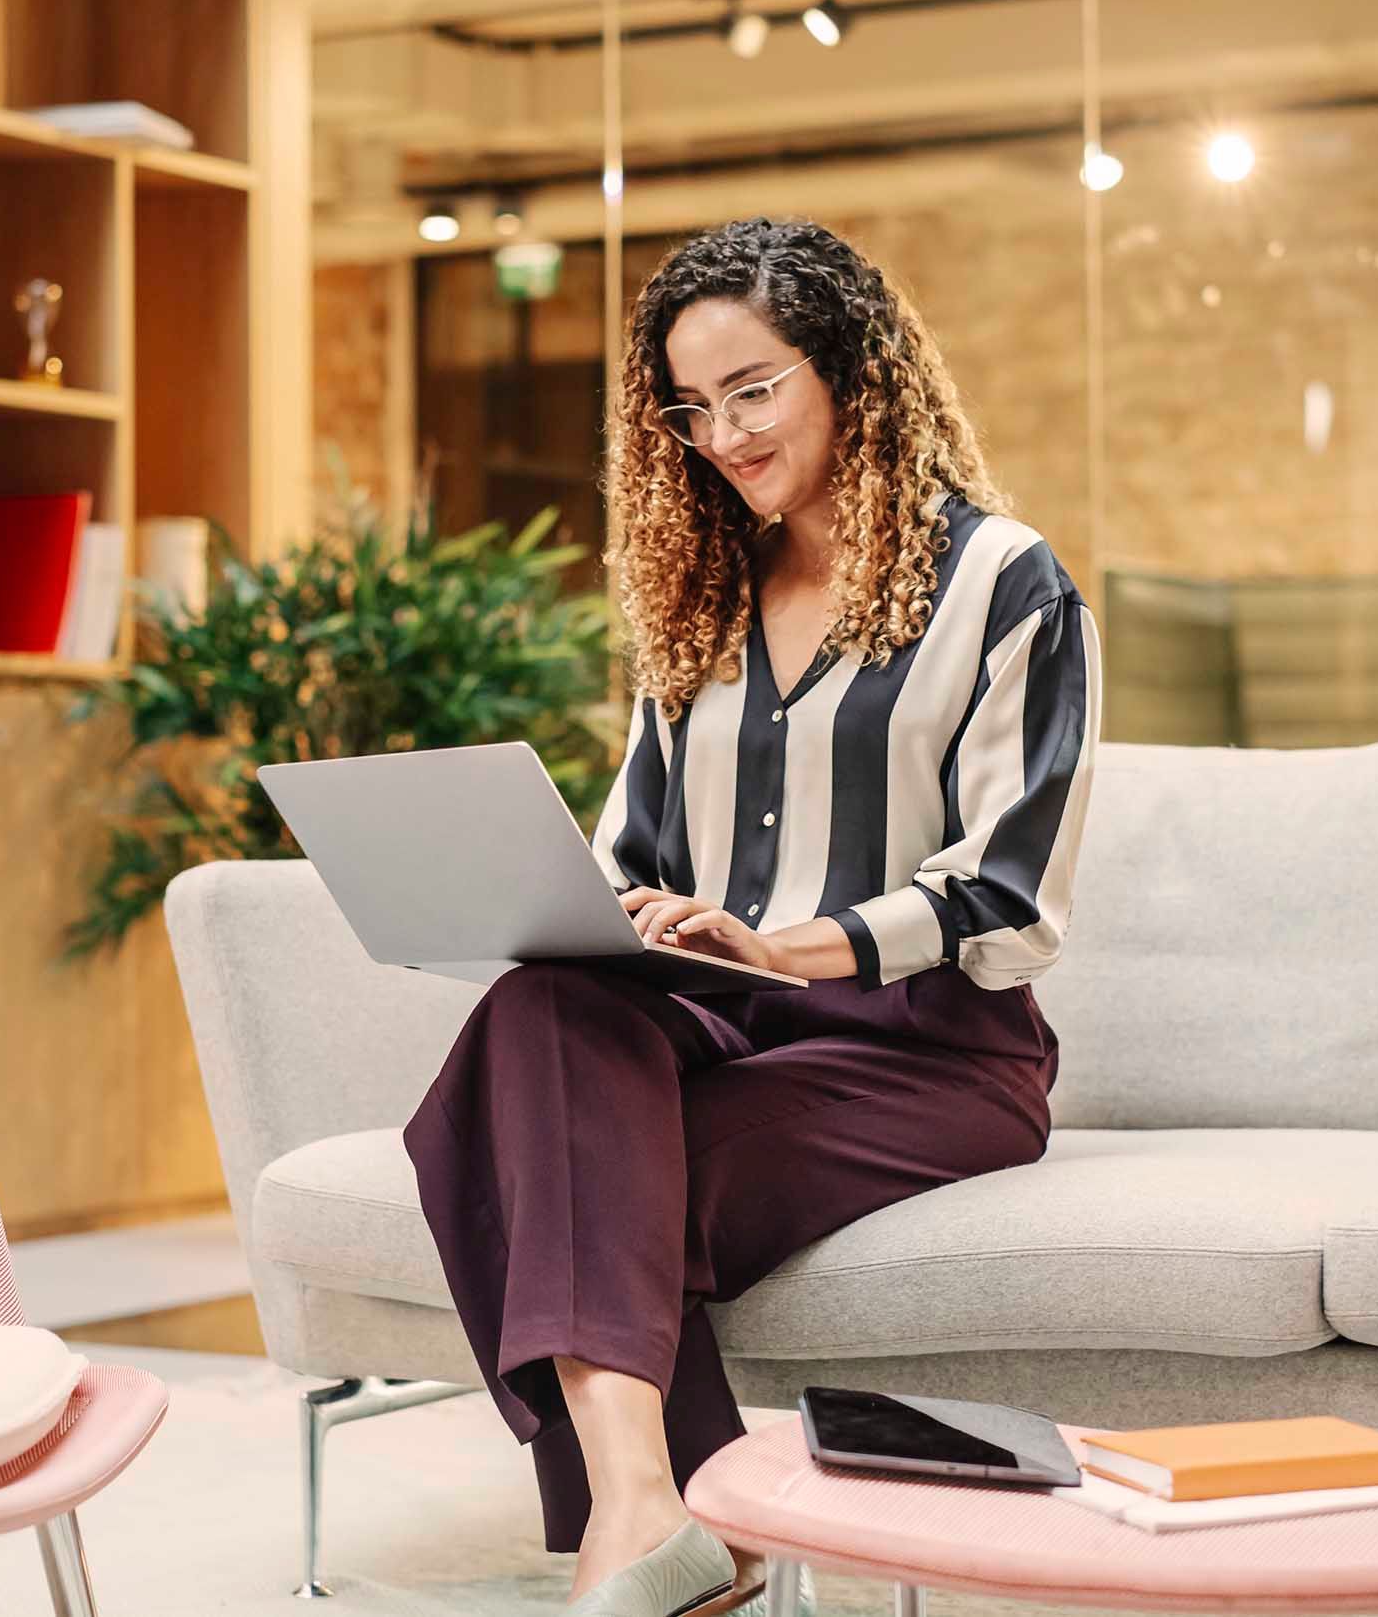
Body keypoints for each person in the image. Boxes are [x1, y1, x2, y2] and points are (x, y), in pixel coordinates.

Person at [401, 218, 1102, 1617]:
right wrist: (604, 913)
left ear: (850, 371)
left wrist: (793, 944)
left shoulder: (1004, 583)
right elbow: (631, 852)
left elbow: (1015, 896)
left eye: (755, 388)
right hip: (723, 1026)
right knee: (536, 1009)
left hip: (930, 1055)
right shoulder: (704, 603)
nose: (721, 432)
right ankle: (655, 1506)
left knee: (533, 1162)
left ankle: (662, 1526)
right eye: (692, 404)